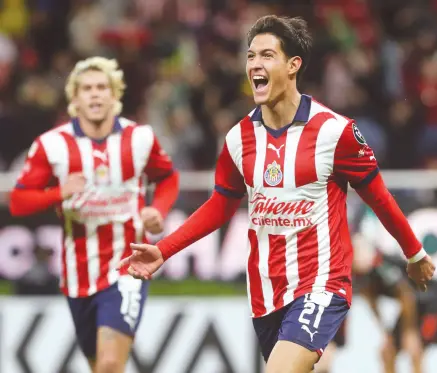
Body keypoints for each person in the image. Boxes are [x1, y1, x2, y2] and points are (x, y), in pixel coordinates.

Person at [118, 15, 435, 373]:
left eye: (267, 55)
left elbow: (379, 197)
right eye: (251, 56)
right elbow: (220, 206)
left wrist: (414, 253)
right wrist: (163, 249)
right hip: (266, 292)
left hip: (322, 283)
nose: (255, 64)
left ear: (293, 65)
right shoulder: (239, 138)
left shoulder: (335, 132)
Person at [9, 57, 179, 373]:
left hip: (128, 266)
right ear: (74, 98)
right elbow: (18, 202)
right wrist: (59, 192)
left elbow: (168, 177)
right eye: (87, 88)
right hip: (78, 273)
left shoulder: (139, 138)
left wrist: (159, 210)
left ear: (115, 95)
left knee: (111, 364)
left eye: (102, 87)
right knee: (98, 364)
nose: (95, 94)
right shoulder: (52, 145)